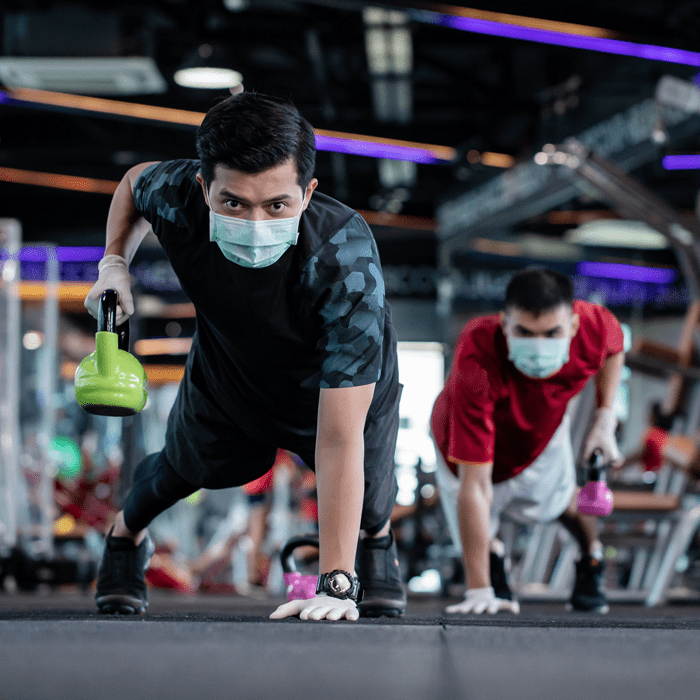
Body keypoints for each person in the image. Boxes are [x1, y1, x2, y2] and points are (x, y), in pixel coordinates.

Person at [84, 91, 405, 622]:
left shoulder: (344, 258)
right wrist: (113, 262)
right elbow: (134, 181)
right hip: (232, 367)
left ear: (308, 193)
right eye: (233, 202)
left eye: (277, 204)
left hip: (335, 382)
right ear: (203, 186)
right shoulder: (177, 197)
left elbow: (340, 435)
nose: (255, 222)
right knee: (184, 469)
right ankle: (124, 539)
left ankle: (377, 543)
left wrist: (335, 583)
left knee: (368, 495)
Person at [431, 269, 624, 615]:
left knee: (566, 504)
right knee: (476, 523)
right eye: (523, 332)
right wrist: (477, 590)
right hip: (461, 439)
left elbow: (615, 347)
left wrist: (604, 418)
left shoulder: (594, 325)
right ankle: (493, 566)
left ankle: (590, 559)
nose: (539, 345)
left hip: (541, 431)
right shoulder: (479, 351)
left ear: (574, 326)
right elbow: (475, 487)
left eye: (552, 333)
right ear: (504, 323)